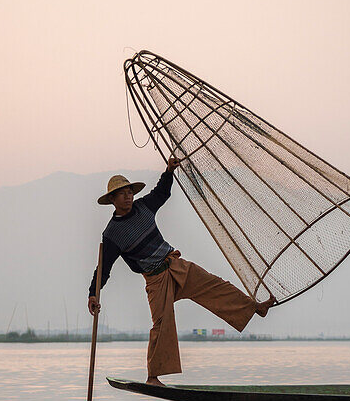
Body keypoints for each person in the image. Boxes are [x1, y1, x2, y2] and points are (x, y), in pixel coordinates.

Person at [87, 156, 275, 384]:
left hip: (175, 265)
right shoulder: (112, 234)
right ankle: (153, 376)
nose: (128, 196)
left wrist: (168, 172)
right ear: (113, 200)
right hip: (156, 280)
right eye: (122, 193)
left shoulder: (143, 206)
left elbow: (162, 193)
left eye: (129, 192)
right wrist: (93, 293)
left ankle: (254, 308)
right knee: (162, 324)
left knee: (215, 285)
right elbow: (103, 267)